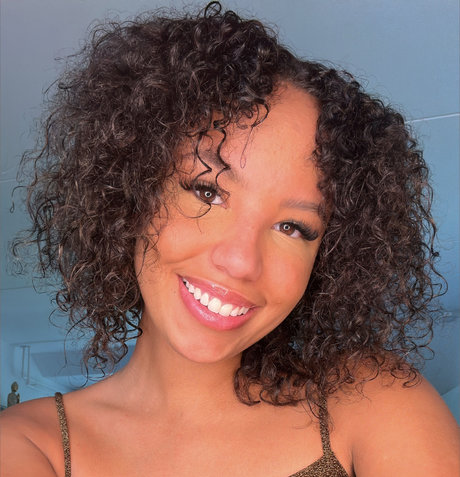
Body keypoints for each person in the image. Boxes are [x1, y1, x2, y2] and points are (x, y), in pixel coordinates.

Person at [1, 2, 459, 476]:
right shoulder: (30, 444)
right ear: (133, 192)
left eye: (292, 227)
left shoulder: (373, 402)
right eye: (208, 192)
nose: (241, 261)